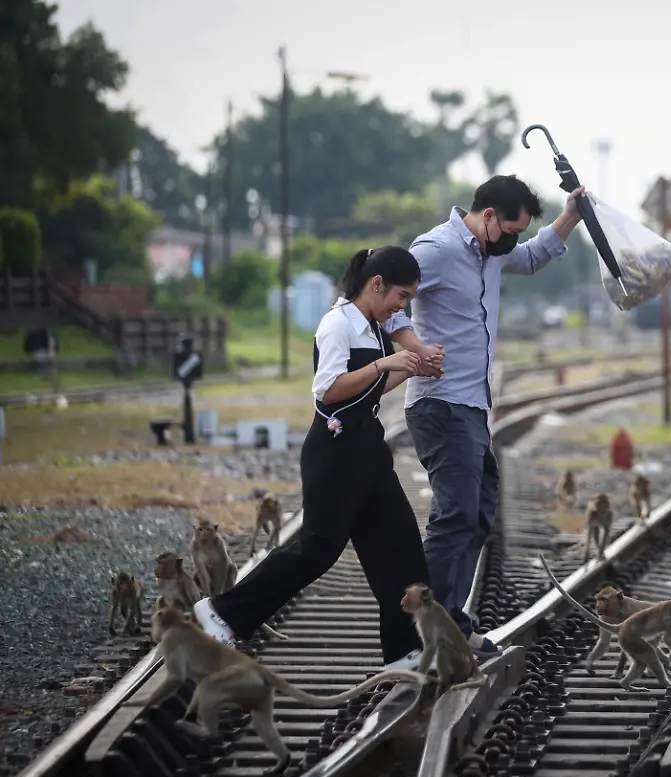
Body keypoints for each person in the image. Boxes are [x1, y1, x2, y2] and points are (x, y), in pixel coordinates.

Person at [193, 246, 441, 671]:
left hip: (368, 449)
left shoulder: (370, 325)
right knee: (317, 550)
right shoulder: (336, 324)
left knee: (401, 548)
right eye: (401, 296)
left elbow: (368, 390)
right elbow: (328, 391)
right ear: (376, 285)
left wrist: (414, 366)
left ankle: (405, 654)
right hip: (334, 452)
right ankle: (224, 612)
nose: (403, 307)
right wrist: (386, 362)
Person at [387, 175, 585, 658]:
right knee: (454, 515)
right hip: (440, 403)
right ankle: (419, 637)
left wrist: (571, 217)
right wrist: (416, 347)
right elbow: (388, 304)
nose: (513, 242)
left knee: (476, 514)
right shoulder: (433, 250)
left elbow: (535, 256)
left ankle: (449, 623)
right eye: (510, 230)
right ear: (488, 216)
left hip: (472, 406)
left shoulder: (490, 252)